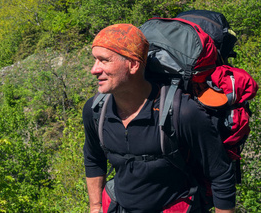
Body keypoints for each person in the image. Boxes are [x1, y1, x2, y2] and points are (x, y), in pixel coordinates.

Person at [82, 24, 236, 213]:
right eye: (95, 60)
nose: (94, 69)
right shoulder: (96, 110)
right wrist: (95, 206)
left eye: (104, 61)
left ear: (133, 65)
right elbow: (93, 159)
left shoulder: (182, 113)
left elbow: (220, 175)